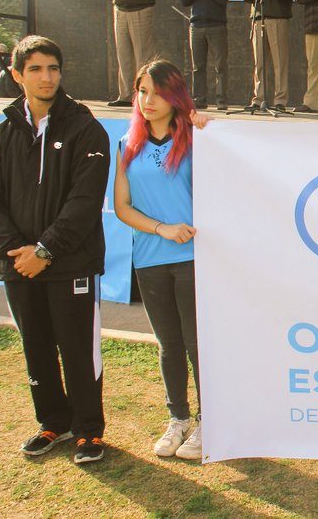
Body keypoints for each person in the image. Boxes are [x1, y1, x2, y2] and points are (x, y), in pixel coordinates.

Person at [0, 35, 111, 464]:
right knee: (36, 347)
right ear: (17, 76)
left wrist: (46, 250)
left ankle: (89, 429)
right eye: (35, 69)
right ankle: (54, 422)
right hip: (19, 266)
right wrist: (17, 251)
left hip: (69, 262)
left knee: (77, 349)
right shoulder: (3, 132)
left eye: (52, 68)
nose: (46, 76)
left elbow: (85, 202)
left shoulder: (85, 126)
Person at [114, 60, 208, 460]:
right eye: (142, 91)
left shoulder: (196, 139)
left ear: (175, 95)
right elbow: (122, 207)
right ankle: (178, 419)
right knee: (168, 344)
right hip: (149, 258)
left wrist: (208, 126)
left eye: (157, 92)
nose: (148, 100)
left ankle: (210, 421)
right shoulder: (126, 144)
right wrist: (161, 228)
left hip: (193, 258)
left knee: (196, 343)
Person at [242, 0, 297, 112]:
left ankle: (280, 100)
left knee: (279, 61)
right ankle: (259, 99)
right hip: (259, 19)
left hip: (278, 19)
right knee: (259, 62)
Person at [181, 0, 231, 110]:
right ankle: (199, 99)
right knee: (198, 67)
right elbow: (185, 1)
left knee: (220, 65)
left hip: (216, 26)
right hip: (197, 27)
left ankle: (221, 100)